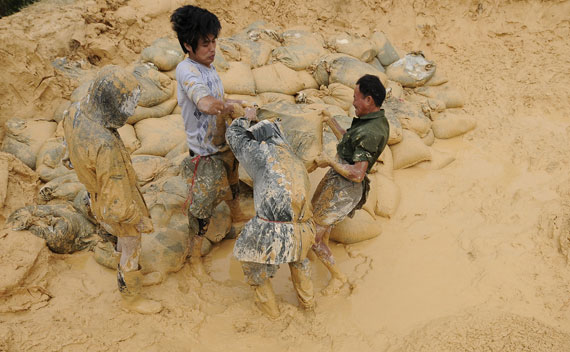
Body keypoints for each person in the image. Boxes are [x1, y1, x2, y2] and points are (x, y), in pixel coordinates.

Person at [62, 65, 162, 314]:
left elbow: (68, 147)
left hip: (95, 190)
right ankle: (131, 295)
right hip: (113, 200)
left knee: (124, 239)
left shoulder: (74, 111)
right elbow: (117, 203)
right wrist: (135, 219)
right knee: (131, 242)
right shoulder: (105, 144)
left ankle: (131, 272)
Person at [170, 5, 249, 279]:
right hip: (204, 153)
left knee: (233, 181)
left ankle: (237, 215)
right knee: (201, 208)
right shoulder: (186, 71)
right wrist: (223, 107)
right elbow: (203, 101)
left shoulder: (209, 67)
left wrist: (235, 104)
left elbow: (216, 99)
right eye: (206, 43)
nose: (213, 48)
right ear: (188, 45)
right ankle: (194, 257)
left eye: (214, 41)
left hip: (223, 143)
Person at [226, 111, 316, 319]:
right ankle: (309, 308)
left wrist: (244, 117)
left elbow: (234, 137)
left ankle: (272, 314)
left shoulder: (260, 153)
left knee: (252, 263)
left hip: (273, 229)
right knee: (299, 261)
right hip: (304, 228)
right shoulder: (292, 156)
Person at [311, 74, 390, 295]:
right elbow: (349, 140)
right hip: (339, 175)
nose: (353, 102)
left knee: (313, 237)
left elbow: (357, 173)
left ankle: (338, 277)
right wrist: (330, 120)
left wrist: (327, 161)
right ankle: (324, 250)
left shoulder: (371, 132)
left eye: (356, 97)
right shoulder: (371, 121)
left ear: (369, 100)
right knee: (319, 221)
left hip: (346, 187)